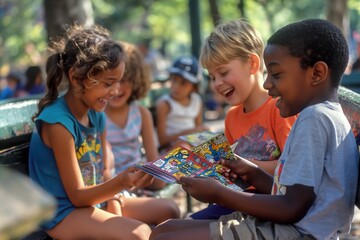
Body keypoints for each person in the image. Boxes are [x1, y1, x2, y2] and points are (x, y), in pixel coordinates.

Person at [150, 18, 359, 240]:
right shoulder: (323, 116)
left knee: (165, 236)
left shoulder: (315, 118)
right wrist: (249, 171)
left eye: (276, 75)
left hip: (298, 233)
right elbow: (289, 194)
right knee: (165, 229)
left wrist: (219, 194)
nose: (267, 83)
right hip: (291, 227)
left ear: (316, 73)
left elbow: (291, 208)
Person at [28, 24, 154, 240]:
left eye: (118, 82)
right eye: (108, 83)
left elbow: (105, 168)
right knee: (140, 233)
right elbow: (76, 196)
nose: (115, 92)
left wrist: (114, 200)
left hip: (93, 201)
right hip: (63, 214)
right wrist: (122, 183)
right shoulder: (58, 123)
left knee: (169, 210)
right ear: (76, 78)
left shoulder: (96, 114)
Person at [189, 19, 297, 220]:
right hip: (235, 201)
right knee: (173, 227)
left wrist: (242, 164)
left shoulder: (279, 109)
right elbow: (230, 174)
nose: (217, 84)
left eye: (223, 73)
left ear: (253, 63)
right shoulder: (232, 117)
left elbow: (291, 167)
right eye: (212, 77)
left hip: (271, 205)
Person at [104, 41, 180, 220]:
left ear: (136, 80)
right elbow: (101, 170)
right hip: (110, 189)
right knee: (169, 212)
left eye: (125, 79)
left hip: (137, 182)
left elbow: (154, 167)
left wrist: (177, 158)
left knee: (170, 210)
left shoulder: (140, 113)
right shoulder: (98, 114)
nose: (118, 88)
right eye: (111, 81)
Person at [156, 55, 209, 152]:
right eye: (174, 79)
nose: (176, 86)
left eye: (183, 83)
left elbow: (199, 129)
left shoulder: (197, 100)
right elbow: (162, 140)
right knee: (183, 146)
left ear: (194, 86)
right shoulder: (165, 104)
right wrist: (190, 133)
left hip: (192, 145)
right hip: (169, 149)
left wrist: (201, 132)